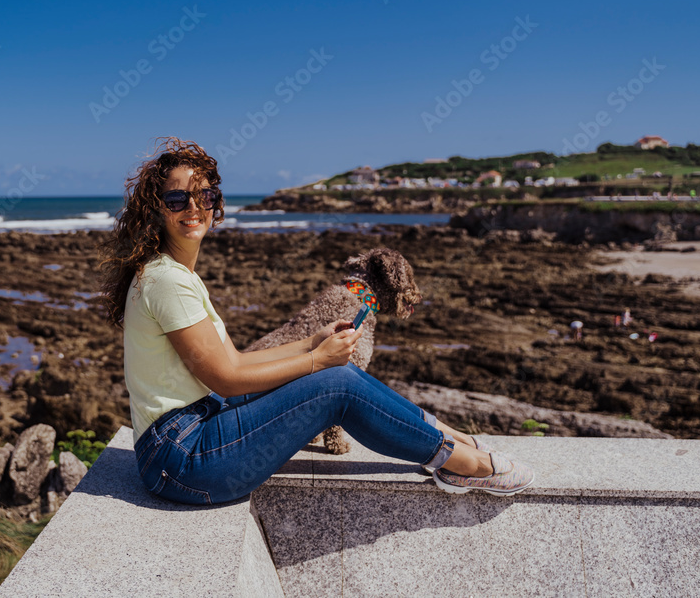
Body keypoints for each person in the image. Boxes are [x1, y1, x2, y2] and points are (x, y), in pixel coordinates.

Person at [97, 137, 534, 505]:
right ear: (156, 209)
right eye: (178, 198)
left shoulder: (172, 273)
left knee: (337, 371)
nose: (194, 207)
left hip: (189, 436)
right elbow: (226, 378)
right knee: (336, 383)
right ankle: (463, 464)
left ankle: (447, 434)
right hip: (182, 460)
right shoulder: (166, 280)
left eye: (205, 195)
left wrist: (311, 345)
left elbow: (231, 358)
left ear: (216, 203)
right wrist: (317, 363)